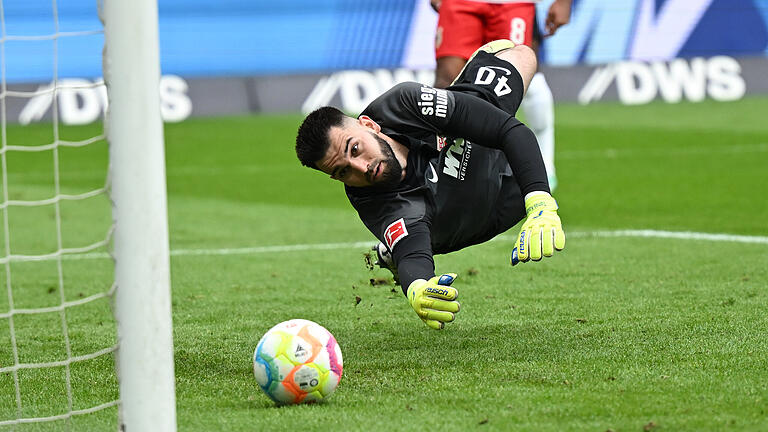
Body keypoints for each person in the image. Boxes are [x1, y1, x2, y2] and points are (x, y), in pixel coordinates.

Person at [295, 40, 565, 330]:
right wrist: (417, 288)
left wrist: (540, 203)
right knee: (412, 239)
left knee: (518, 54)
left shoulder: (404, 104)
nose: (362, 168)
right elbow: (414, 254)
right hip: (465, 218)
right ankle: (392, 250)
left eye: (355, 149)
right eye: (343, 170)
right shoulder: (372, 200)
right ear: (336, 178)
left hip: (483, 155)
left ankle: (462, 95)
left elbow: (510, 131)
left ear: (369, 125)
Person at [431, 0, 573, 190]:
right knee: (447, 82)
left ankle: (544, 167)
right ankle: (438, 168)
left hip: (513, 3)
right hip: (459, 3)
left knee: (521, 75)